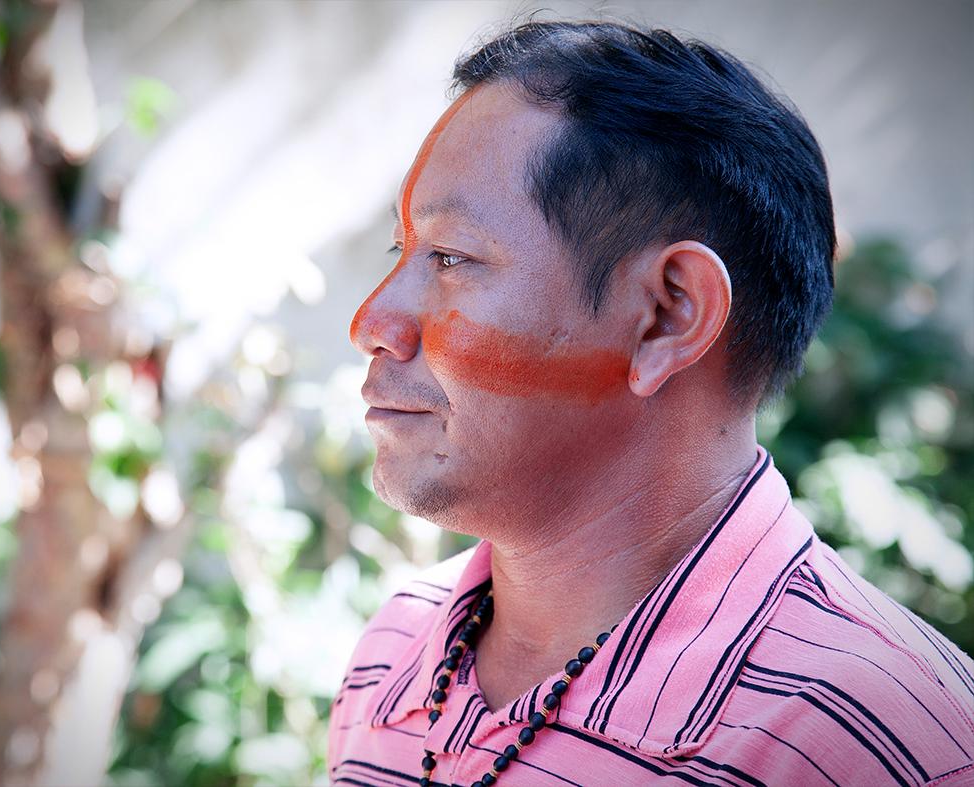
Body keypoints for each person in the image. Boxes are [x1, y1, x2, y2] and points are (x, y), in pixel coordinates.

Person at [326, 19, 974, 787]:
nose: (370, 323)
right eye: (399, 252)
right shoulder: (395, 652)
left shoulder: (871, 736)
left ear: (668, 315)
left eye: (450, 258)